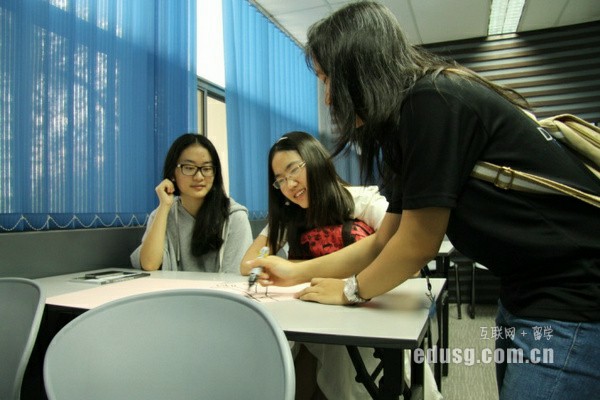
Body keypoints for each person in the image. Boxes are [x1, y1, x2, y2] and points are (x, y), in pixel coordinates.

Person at [245, 2, 600, 400]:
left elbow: (417, 244)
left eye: (328, 79)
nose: (328, 98)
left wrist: (350, 291)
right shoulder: (405, 122)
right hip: (527, 290)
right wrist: (295, 273)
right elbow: (384, 240)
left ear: (357, 69)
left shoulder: (430, 101)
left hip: (574, 293)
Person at [241, 131, 394, 400]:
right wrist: (274, 265)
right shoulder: (291, 216)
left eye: (293, 170)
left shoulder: (362, 200)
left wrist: (296, 269)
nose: (289, 184)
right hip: (311, 313)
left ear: (316, 161)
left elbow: (397, 249)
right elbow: (248, 264)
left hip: (364, 310)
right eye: (280, 180)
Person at [131, 133, 252, 273]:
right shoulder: (163, 215)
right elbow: (149, 264)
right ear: (172, 173)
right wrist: (164, 206)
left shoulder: (235, 217)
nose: (199, 177)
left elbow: (234, 277)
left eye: (206, 169)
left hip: (219, 288)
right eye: (189, 168)